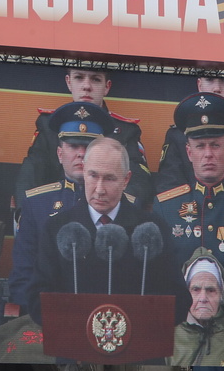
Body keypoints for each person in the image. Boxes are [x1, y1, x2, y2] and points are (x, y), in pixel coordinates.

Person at [28, 137, 176, 324]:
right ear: (83, 171)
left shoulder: (152, 230)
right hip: (75, 346)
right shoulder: (57, 229)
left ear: (126, 180)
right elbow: (36, 300)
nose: (99, 189)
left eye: (109, 178)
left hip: (137, 349)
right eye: (93, 176)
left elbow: (176, 299)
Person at [154, 92, 224, 324]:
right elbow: (155, 276)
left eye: (215, 145)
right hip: (178, 323)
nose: (208, 154)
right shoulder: (165, 208)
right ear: (189, 153)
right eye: (200, 146)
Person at [9, 102, 116, 309]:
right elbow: (22, 278)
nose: (80, 154)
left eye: (88, 147)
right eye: (73, 146)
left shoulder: (120, 203)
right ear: (59, 154)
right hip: (48, 317)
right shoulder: (36, 204)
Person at [15, 66, 154, 208]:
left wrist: (109, 210)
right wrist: (30, 214)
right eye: (79, 77)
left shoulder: (125, 131)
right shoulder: (49, 125)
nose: (86, 86)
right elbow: (30, 175)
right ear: (69, 82)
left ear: (107, 87)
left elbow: (139, 182)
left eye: (95, 79)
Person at [156, 74, 224, 195]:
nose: (217, 88)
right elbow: (169, 189)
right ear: (200, 85)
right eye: (210, 80)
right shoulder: (177, 136)